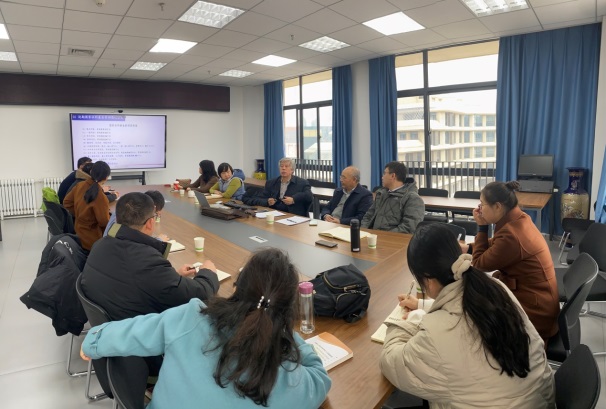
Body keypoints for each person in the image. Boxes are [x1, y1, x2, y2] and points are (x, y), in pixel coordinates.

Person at [80, 248, 331, 409]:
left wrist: (93, 341)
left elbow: (133, 332)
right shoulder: (289, 378)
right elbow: (320, 378)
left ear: (238, 287)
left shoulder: (191, 317)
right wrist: (281, 330)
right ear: (288, 310)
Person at [380, 223, 555, 408]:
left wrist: (405, 321)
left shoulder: (437, 334)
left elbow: (391, 362)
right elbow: (464, 307)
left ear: (428, 280)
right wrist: (421, 305)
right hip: (541, 400)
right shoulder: (494, 287)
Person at [81, 192, 219, 322]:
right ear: (150, 223)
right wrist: (208, 272)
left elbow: (133, 278)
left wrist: (175, 277)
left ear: (117, 219)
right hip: (136, 328)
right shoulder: (147, 262)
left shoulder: (99, 244)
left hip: (111, 320)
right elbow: (200, 295)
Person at [460, 181, 559, 342]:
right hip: (540, 299)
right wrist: (469, 248)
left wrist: (482, 227)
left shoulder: (512, 235)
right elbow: (497, 244)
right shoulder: (519, 218)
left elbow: (479, 264)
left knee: (473, 307)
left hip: (536, 312)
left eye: (482, 204)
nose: (479, 209)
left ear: (498, 206)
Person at [361, 162, 425, 233]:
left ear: (393, 176)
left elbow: (408, 228)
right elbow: (368, 216)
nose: (382, 177)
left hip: (392, 238)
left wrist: (383, 235)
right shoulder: (381, 194)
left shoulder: (412, 199)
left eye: (384, 173)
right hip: (373, 236)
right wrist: (363, 231)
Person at [63, 161, 111, 251]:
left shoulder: (80, 185)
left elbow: (67, 203)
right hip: (93, 240)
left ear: (91, 172)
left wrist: (80, 214)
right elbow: (104, 223)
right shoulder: (101, 197)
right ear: (106, 178)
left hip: (78, 232)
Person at [242, 158, 312, 217]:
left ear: (292, 170)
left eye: (286, 166)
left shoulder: (302, 183)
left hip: (293, 215)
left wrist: (294, 199)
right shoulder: (271, 182)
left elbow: (309, 196)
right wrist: (267, 201)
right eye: (281, 166)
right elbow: (263, 197)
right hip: (275, 213)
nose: (283, 168)